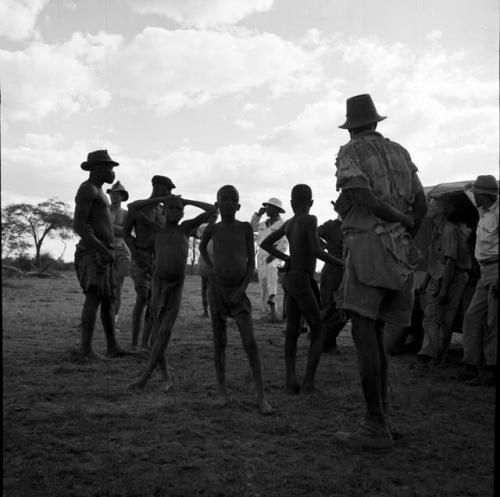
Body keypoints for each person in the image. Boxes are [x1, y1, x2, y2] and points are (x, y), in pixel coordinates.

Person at [332, 94, 427, 450]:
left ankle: (374, 425)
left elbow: (365, 198)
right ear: (375, 121)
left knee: (364, 337)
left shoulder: (350, 152)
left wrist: (394, 221)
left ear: (351, 126)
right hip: (400, 256)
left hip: (368, 251)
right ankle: (383, 420)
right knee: (377, 341)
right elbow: (421, 202)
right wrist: (404, 231)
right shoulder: (401, 152)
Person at [128, 195, 216, 392]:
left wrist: (188, 201)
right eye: (171, 208)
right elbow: (132, 207)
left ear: (183, 212)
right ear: (163, 211)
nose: (176, 212)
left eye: (179, 209)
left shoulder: (185, 228)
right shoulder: (156, 229)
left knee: (165, 332)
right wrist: (162, 198)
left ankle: (145, 376)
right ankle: (166, 376)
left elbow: (211, 210)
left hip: (176, 286)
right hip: (158, 285)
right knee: (157, 335)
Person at [261, 184, 344, 394]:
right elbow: (316, 250)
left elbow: (266, 244)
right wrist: (342, 264)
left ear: (291, 203)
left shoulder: (289, 222)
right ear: (311, 203)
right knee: (318, 331)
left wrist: (287, 258)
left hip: (290, 279)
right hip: (302, 279)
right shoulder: (309, 219)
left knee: (292, 331)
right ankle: (308, 383)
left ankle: (291, 380)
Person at [199, 185, 273, 415]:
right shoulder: (213, 229)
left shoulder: (243, 229)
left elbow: (250, 264)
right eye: (224, 199)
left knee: (250, 343)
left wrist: (241, 289)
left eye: (233, 199)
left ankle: (261, 395)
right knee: (219, 342)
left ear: (238, 205)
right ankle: (222, 392)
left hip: (238, 293)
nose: (229, 202)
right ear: (218, 204)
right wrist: (211, 268)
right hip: (217, 291)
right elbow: (202, 248)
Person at [73, 150, 133, 361]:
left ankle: (113, 347)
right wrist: (102, 249)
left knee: (108, 299)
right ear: (97, 168)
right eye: (110, 168)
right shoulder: (87, 190)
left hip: (104, 253)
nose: (113, 172)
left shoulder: (99, 192)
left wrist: (108, 251)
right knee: (94, 296)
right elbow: (79, 226)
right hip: (93, 253)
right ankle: (85, 350)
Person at [417, 196, 471, 364]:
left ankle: (435, 355)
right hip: (439, 278)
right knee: (432, 317)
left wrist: (444, 289)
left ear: (441, 210)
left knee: (444, 318)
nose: (428, 208)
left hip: (452, 278)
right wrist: (425, 283)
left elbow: (450, 262)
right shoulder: (437, 230)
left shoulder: (449, 230)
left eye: (432, 205)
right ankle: (431, 354)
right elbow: (436, 260)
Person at [123, 175, 175, 349]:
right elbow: (126, 233)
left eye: (170, 190)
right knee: (142, 297)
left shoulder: (163, 211)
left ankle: (146, 343)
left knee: (155, 302)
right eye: (167, 189)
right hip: (140, 256)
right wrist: (135, 254)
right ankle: (134, 343)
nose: (169, 193)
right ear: (157, 187)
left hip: (158, 260)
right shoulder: (139, 206)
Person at [460, 175, 498, 386]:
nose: (474, 196)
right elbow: (468, 189)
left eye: (477, 194)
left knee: (493, 322)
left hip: (496, 270)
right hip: (485, 272)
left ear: (486, 195)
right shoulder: (483, 208)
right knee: (472, 317)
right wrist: (471, 186)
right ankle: (471, 365)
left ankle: (491, 369)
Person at [317, 200, 348, 354]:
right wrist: (322, 247)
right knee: (329, 305)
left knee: (341, 307)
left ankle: (325, 339)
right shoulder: (331, 225)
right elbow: (313, 234)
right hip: (332, 271)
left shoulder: (353, 226)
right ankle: (326, 342)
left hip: (347, 271)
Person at [250, 198, 287, 321]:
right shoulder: (261, 224)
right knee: (263, 281)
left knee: (272, 268)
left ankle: (272, 296)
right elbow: (250, 228)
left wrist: (275, 254)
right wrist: (258, 214)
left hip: (276, 254)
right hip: (261, 255)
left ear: (277, 210)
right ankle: (267, 312)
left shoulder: (283, 224)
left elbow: (284, 242)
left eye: (269, 207)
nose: (267, 209)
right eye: (266, 207)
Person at [106, 181, 131, 327]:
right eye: (112, 193)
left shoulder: (126, 214)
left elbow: (126, 233)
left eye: (117, 193)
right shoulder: (103, 210)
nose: (114, 196)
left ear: (122, 196)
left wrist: (109, 227)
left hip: (122, 250)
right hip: (105, 248)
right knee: (100, 285)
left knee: (118, 287)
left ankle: (113, 321)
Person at [196, 209, 219, 317]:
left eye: (216, 216)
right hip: (205, 261)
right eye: (212, 216)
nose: (214, 218)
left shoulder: (220, 228)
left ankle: (216, 310)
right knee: (204, 287)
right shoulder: (202, 227)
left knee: (215, 288)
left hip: (217, 261)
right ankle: (206, 311)